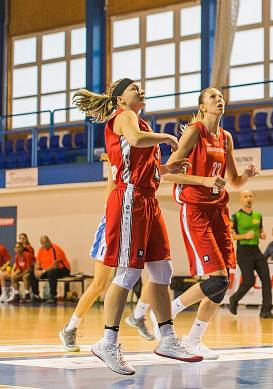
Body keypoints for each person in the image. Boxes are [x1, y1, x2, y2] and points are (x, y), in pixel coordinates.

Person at [72, 78, 200, 375]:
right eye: (134, 89)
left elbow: (145, 165)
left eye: (141, 88)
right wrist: (167, 138)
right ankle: (107, 341)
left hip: (147, 198)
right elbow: (138, 140)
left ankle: (167, 338)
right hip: (129, 197)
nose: (140, 91)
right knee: (128, 272)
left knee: (162, 269)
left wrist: (166, 168)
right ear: (119, 99)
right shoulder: (125, 117)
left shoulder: (140, 122)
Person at [161, 87, 261, 359]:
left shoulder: (226, 137)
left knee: (224, 282)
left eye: (221, 96)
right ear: (203, 107)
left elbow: (234, 181)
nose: (219, 99)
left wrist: (247, 176)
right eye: (212, 97)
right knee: (216, 278)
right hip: (195, 209)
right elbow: (167, 174)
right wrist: (204, 180)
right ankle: (169, 310)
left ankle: (193, 340)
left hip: (218, 210)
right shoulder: (194, 132)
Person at [59, 155, 155, 352]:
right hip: (112, 227)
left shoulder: (139, 169)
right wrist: (111, 161)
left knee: (149, 275)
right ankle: (70, 329)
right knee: (99, 285)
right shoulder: (118, 172)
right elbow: (109, 192)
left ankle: (134, 318)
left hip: (134, 225)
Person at [228, 190, 273, 319]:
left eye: (250, 196)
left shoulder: (258, 215)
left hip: (256, 250)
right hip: (243, 251)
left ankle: (266, 311)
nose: (248, 198)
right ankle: (234, 299)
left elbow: (260, 230)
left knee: (266, 279)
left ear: (253, 198)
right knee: (249, 280)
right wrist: (244, 235)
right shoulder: (235, 217)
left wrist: (262, 234)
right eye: (245, 196)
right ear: (241, 199)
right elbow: (231, 236)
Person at [30, 235, 71, 304]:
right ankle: (36, 295)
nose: (44, 244)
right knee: (32, 273)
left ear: (49, 241)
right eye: (42, 243)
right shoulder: (41, 250)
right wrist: (36, 271)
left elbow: (55, 265)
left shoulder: (55, 249)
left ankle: (53, 295)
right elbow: (37, 262)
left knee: (52, 273)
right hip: (46, 270)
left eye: (46, 242)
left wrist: (43, 271)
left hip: (62, 270)